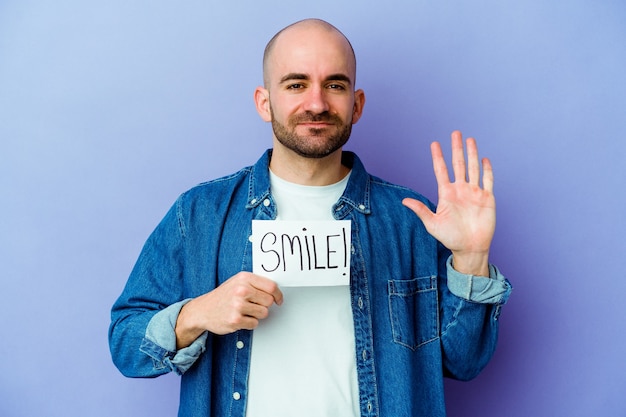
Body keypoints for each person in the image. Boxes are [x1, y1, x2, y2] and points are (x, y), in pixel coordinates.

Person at [109, 18, 512, 417]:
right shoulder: (199, 214)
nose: (316, 103)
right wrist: (197, 314)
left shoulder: (413, 221)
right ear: (264, 101)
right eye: (296, 84)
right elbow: (126, 345)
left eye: (335, 85)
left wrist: (472, 260)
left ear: (356, 104)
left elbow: (464, 362)